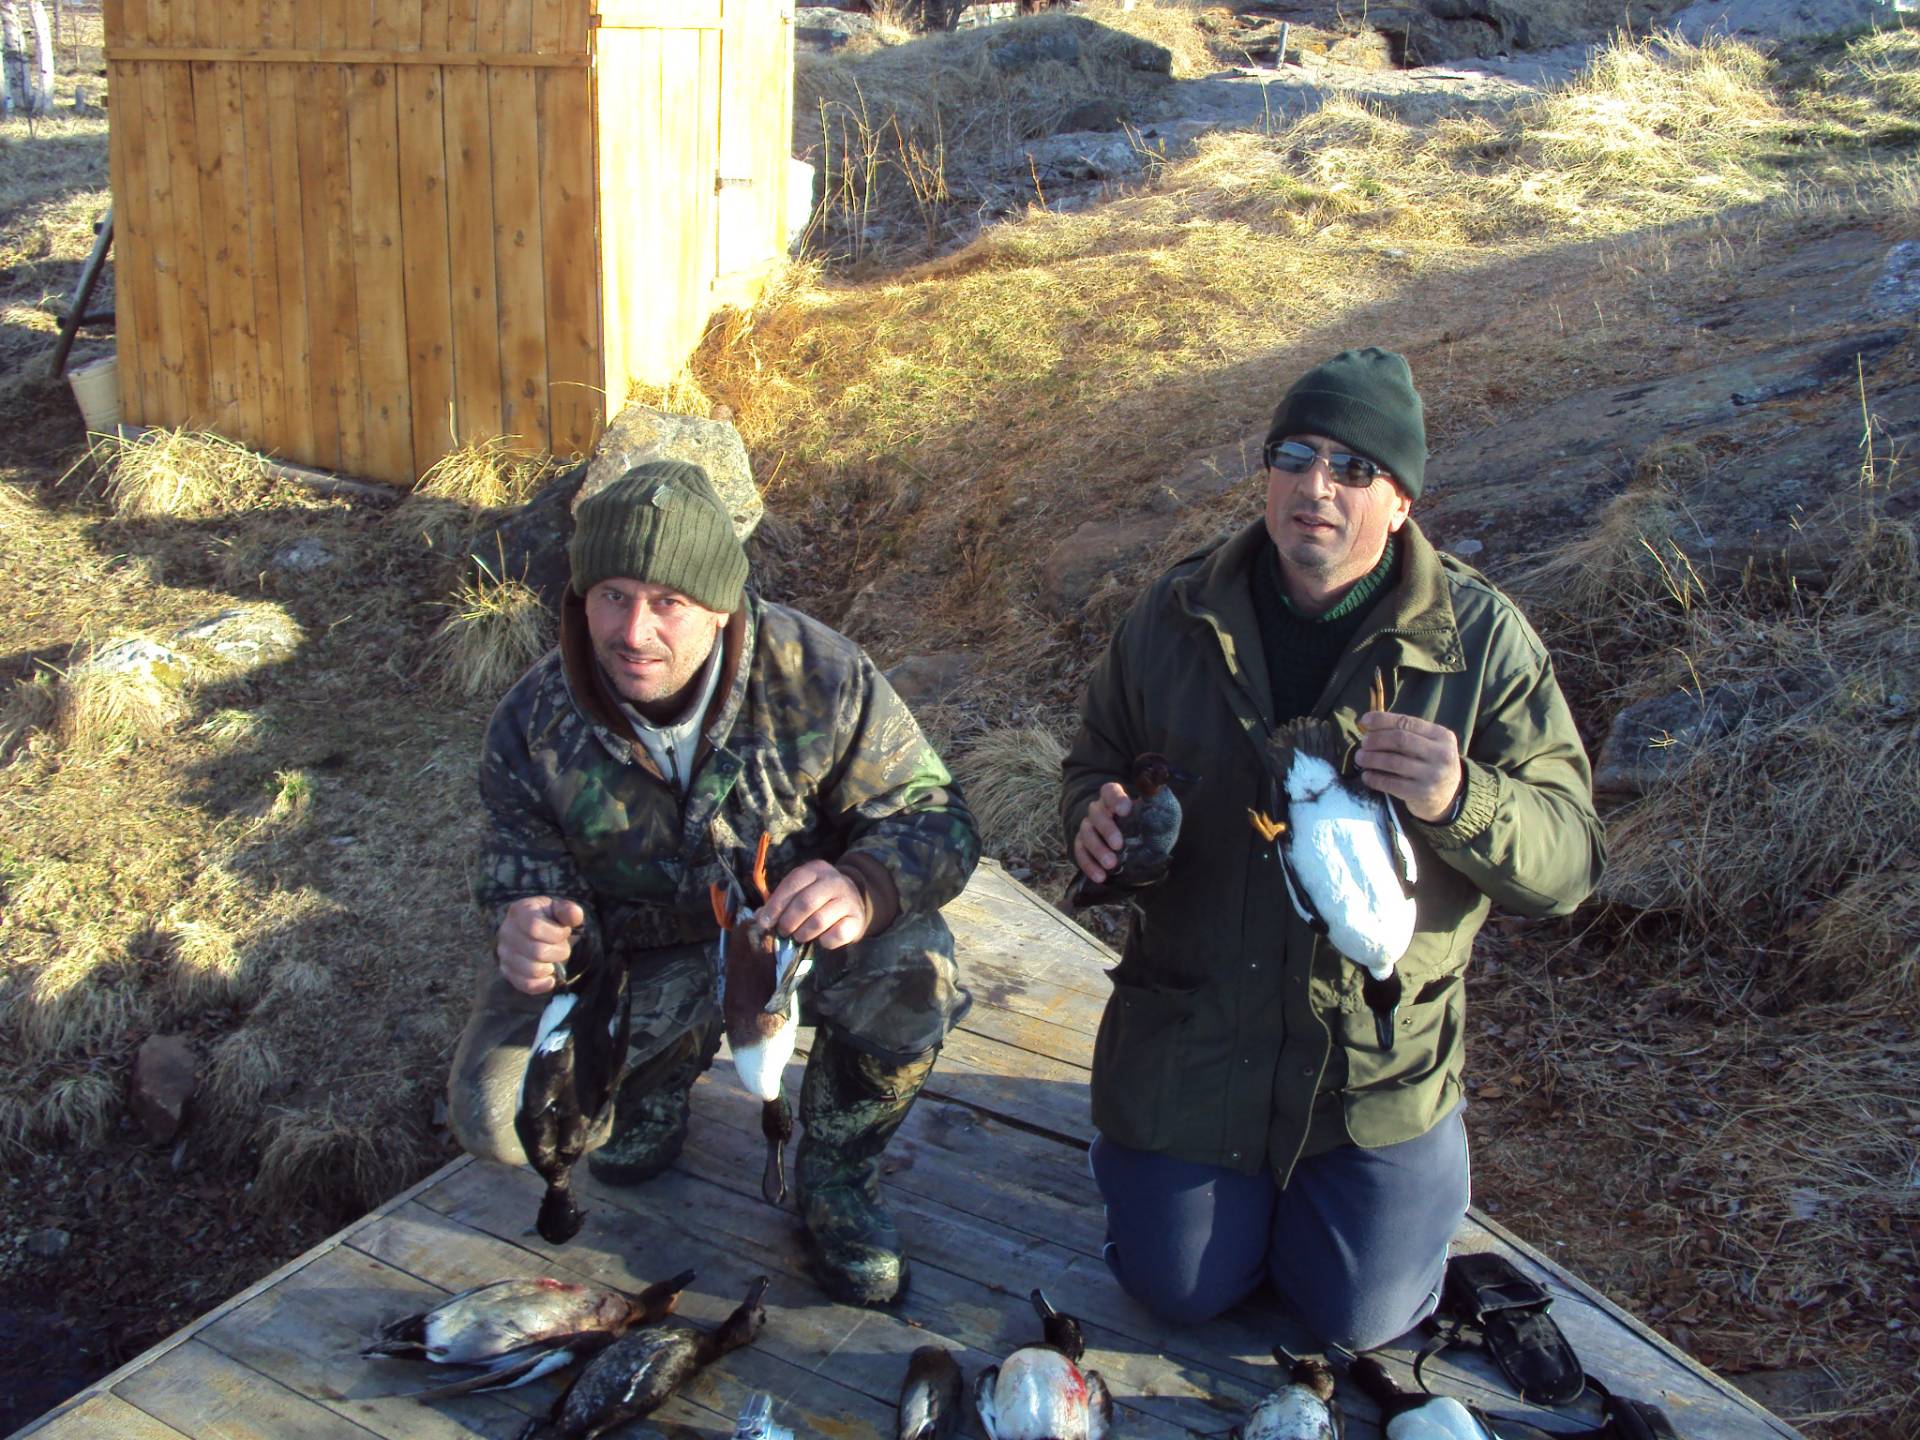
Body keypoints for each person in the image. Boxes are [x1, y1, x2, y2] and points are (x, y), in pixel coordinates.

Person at [1061, 348, 1604, 1349]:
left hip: (1373, 1066)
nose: (1316, 485)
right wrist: (1094, 819)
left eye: (1354, 468)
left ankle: (1388, 1191)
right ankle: (1176, 1186)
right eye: (1294, 456)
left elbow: (1570, 861)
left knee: (1361, 1318)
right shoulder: (1173, 618)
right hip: (1196, 1036)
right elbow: (1095, 760)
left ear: (1401, 503)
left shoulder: (1480, 644)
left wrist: (1463, 798)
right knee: (1174, 1288)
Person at [450, 459, 979, 1307]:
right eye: (613, 595)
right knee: (501, 1113)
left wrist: (863, 886)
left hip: (787, 949)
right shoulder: (532, 720)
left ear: (721, 605)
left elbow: (938, 818)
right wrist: (525, 924)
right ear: (580, 596)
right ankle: (655, 1087)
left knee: (916, 967)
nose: (634, 631)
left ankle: (837, 1172)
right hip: (636, 963)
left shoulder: (821, 676)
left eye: (669, 602)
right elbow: (517, 859)